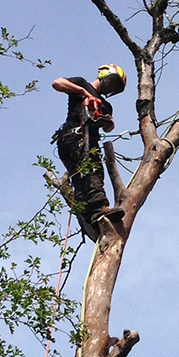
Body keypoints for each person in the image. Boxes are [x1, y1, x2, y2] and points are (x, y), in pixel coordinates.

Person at [51, 64, 127, 237]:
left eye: (115, 87)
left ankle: (89, 218)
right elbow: (57, 83)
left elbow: (109, 126)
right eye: (112, 82)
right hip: (73, 137)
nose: (111, 87)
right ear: (104, 74)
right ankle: (100, 208)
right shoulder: (81, 84)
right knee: (93, 171)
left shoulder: (106, 105)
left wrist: (105, 121)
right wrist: (82, 92)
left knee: (80, 180)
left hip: (85, 140)